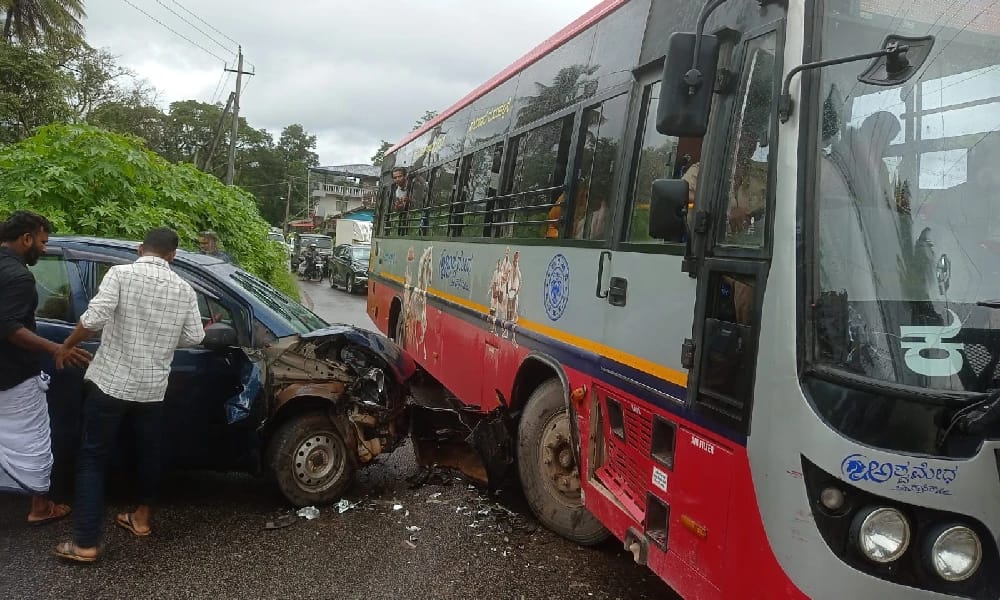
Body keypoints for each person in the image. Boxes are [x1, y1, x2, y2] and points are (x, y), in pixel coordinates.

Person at [52, 227, 204, 563]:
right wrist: (161, 339)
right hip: (151, 390)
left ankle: (86, 543)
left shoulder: (121, 274)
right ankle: (141, 519)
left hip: (111, 384)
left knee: (92, 458)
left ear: (140, 249)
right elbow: (194, 337)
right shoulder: (184, 288)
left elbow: (93, 320)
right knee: (148, 453)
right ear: (172, 255)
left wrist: (67, 346)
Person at [0, 211, 91, 525]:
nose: (44, 248)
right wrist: (58, 347)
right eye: (42, 241)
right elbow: (10, 327)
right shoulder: (20, 276)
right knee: (34, 438)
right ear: (27, 238)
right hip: (12, 376)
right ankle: (40, 507)